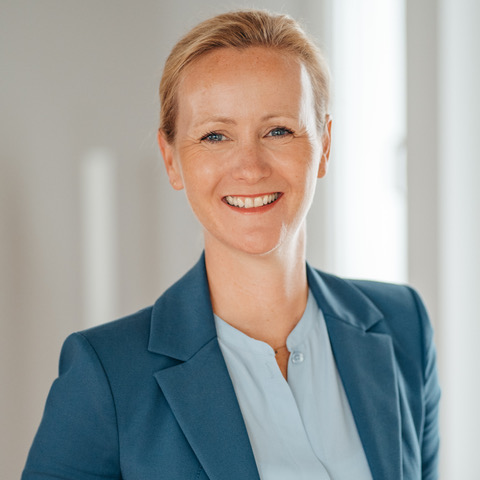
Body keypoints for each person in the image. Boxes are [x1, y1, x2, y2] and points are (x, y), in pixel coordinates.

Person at [22, 9, 440, 480]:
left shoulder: (404, 327)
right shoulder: (107, 376)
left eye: (278, 130)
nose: (250, 167)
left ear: (324, 145)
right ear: (171, 159)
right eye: (215, 136)